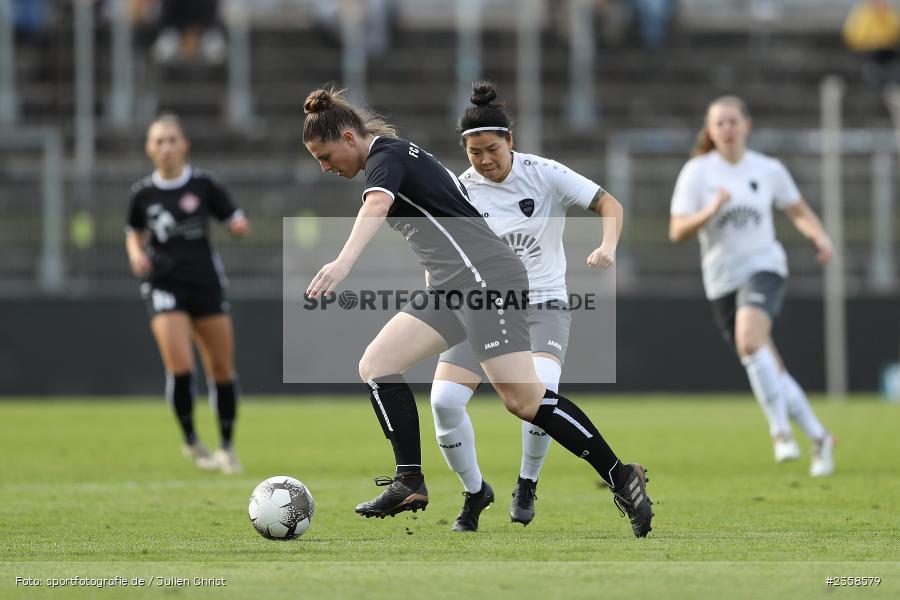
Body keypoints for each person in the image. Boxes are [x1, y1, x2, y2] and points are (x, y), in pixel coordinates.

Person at [302, 87, 653, 537]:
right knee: (377, 365)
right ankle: (409, 480)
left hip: (486, 280)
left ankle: (622, 477)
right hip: (454, 286)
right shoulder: (394, 156)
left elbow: (378, 204)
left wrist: (342, 262)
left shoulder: (384, 157)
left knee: (524, 400)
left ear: (349, 137)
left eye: (325, 155)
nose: (325, 167)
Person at [429, 82, 623, 532]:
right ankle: (475, 492)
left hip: (543, 304)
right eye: (474, 152)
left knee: (542, 390)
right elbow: (442, 248)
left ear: (510, 141)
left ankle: (527, 482)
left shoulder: (544, 173)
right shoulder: (460, 189)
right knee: (443, 401)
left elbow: (608, 203)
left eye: (492, 149)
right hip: (482, 307)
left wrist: (607, 246)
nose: (484, 160)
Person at [669, 96, 836, 477]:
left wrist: (820, 237)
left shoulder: (768, 168)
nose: (727, 129)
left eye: (733, 121)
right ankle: (819, 436)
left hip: (764, 268)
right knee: (764, 360)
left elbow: (798, 210)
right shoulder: (698, 172)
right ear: (710, 131)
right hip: (721, 281)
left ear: (747, 125)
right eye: (719, 124)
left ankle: (780, 433)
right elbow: (677, 231)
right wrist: (710, 210)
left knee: (749, 340)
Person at [125, 113, 249, 474]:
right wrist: (135, 254)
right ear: (150, 148)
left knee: (221, 368)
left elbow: (234, 216)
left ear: (184, 145)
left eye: (172, 140)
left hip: (206, 282)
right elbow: (133, 231)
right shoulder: (142, 194)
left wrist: (238, 225)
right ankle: (192, 439)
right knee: (181, 366)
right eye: (159, 141)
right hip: (164, 284)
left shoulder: (204, 184)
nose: (166, 147)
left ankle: (226, 446)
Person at [842, 0, 900, 89]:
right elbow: (853, 36)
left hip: (888, 52)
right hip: (868, 52)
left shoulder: (890, 12)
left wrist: (883, 19)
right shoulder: (861, 12)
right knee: (871, 69)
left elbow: (895, 33)